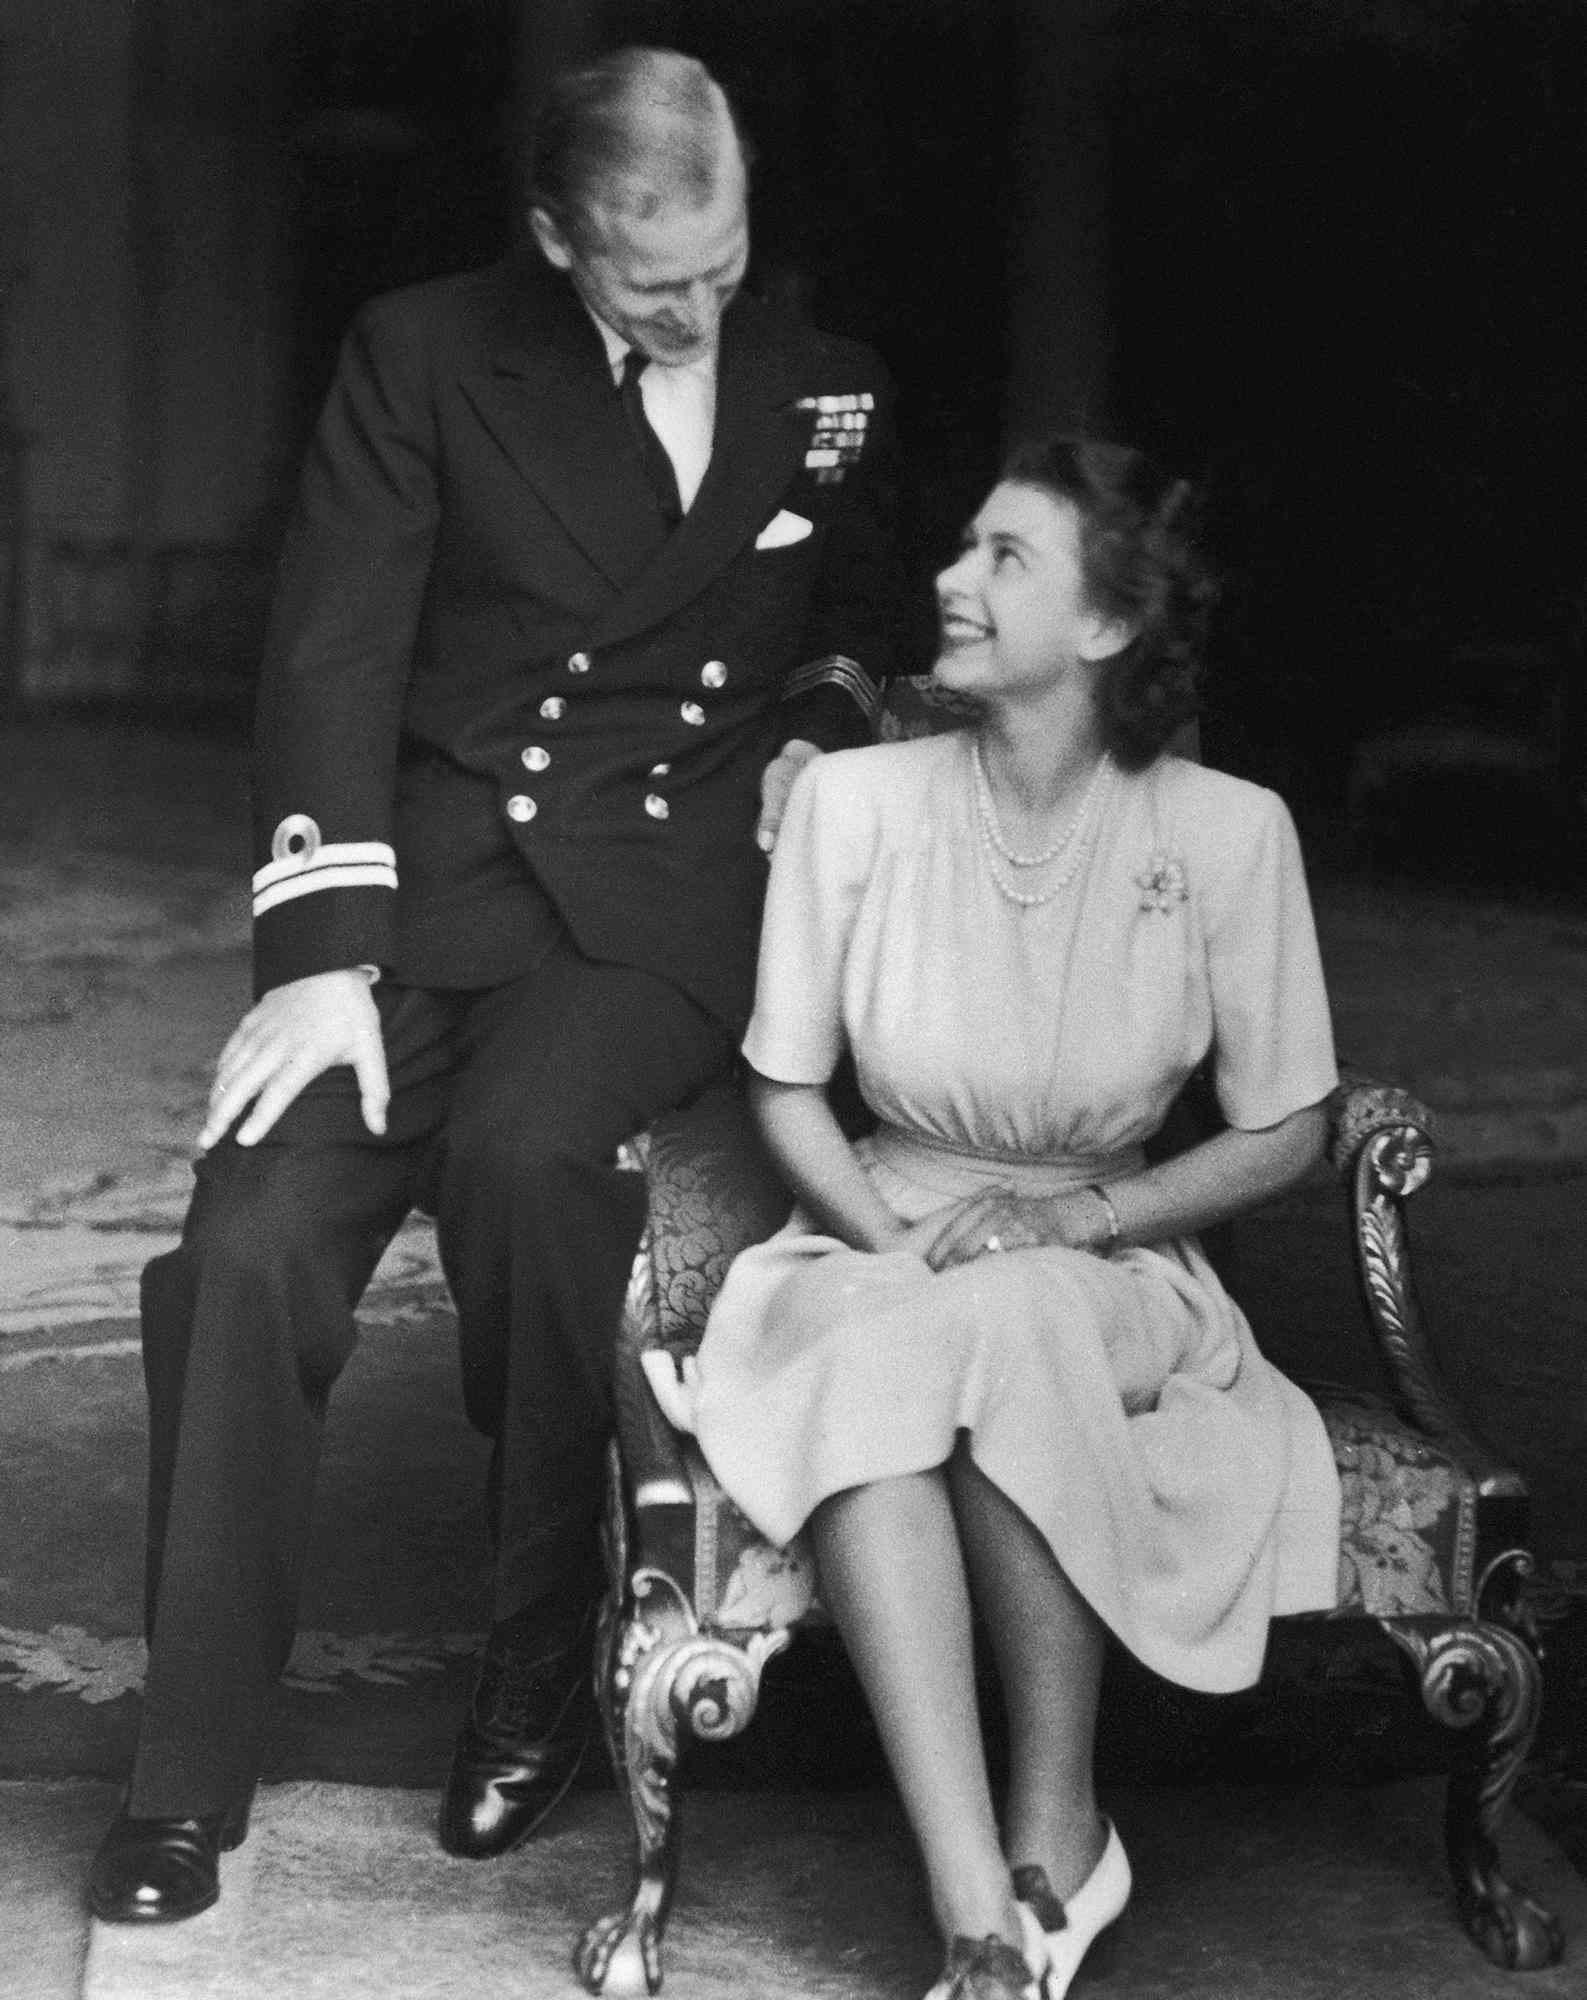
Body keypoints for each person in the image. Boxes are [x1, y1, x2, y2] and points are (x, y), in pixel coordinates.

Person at [88, 46, 901, 1924]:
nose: (695, 308)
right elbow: (334, 655)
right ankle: (184, 1775)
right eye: (647, 281)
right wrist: (322, 963)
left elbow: (860, 599)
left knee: (537, 1164)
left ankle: (535, 1650)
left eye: (721, 263)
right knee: (245, 1242)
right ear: (554, 240)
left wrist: (830, 721)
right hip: (428, 891)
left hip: (657, 918)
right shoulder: (426, 352)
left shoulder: (824, 378)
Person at [675, 437, 1341, 2000]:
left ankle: (1063, 1820)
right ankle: (979, 1899)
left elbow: (1291, 1128)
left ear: (1106, 629)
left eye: (1005, 560)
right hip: (872, 1228)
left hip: (1107, 1260)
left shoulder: (1232, 834)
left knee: (1022, 1310)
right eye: (961, 546)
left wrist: (1089, 1220)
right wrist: (891, 1247)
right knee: (912, 1342)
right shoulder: (852, 803)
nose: (949, 583)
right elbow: (785, 1089)